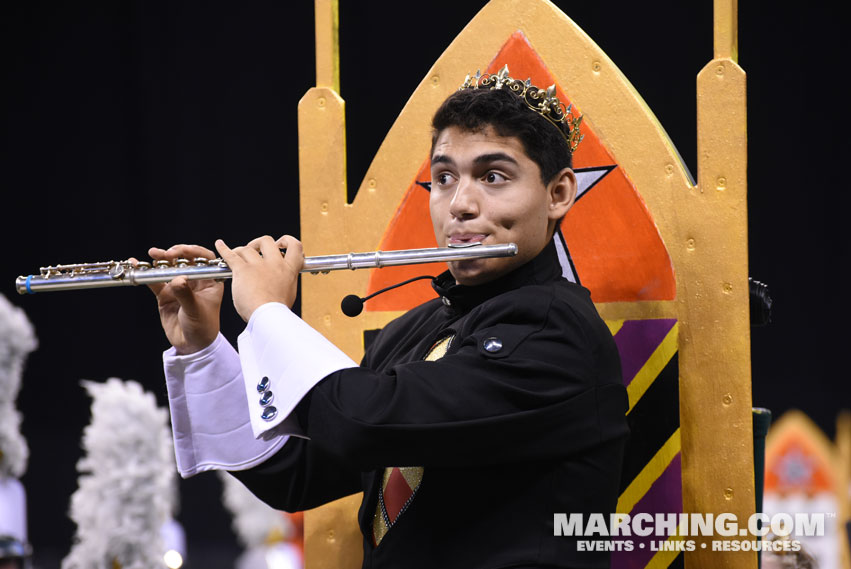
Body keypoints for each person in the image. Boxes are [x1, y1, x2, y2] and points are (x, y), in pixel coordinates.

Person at [151, 66, 629, 568]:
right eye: (444, 178)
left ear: (558, 194)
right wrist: (203, 344)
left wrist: (268, 312)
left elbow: (365, 424)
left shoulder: (557, 332)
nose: (460, 205)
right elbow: (296, 471)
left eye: (493, 176)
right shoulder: (416, 330)